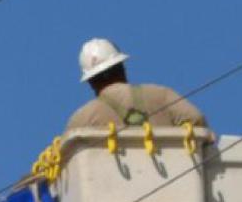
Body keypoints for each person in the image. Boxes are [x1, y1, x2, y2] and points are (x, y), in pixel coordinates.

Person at [65, 37, 204, 137]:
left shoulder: (83, 118)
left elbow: (61, 160)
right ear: (122, 68)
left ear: (91, 82)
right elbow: (196, 119)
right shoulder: (161, 95)